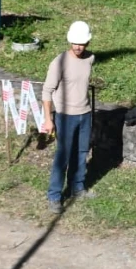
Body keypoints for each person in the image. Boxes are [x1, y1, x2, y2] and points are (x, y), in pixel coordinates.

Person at [41, 21, 96, 213]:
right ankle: (54, 196)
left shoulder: (90, 58)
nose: (78, 47)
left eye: (81, 43)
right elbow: (47, 91)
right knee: (62, 156)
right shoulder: (59, 62)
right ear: (69, 41)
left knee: (81, 152)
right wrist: (48, 119)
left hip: (85, 113)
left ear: (88, 42)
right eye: (74, 43)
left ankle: (77, 187)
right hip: (65, 115)